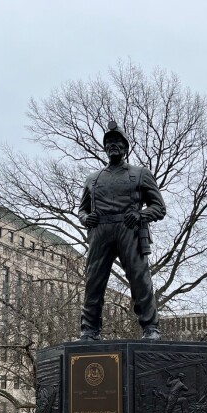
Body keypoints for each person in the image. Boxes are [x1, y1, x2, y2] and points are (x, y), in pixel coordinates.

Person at [78, 121, 166, 340]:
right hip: (100, 232)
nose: (113, 146)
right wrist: (87, 218)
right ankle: (89, 330)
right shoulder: (93, 179)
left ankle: (150, 328)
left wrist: (141, 215)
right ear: (105, 148)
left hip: (129, 229)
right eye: (109, 143)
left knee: (140, 278)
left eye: (118, 142)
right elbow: (81, 210)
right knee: (94, 281)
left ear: (126, 148)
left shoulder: (140, 174)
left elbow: (159, 207)